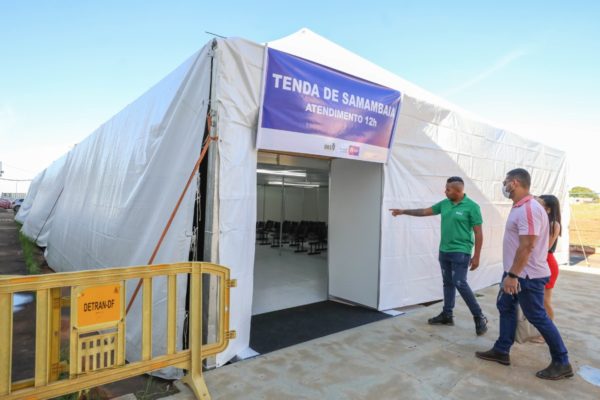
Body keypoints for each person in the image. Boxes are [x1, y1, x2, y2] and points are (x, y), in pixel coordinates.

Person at [476, 168, 573, 380]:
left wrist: (513, 276)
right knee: (506, 307)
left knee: (537, 315)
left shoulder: (529, 208)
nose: (504, 185)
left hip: (525, 276)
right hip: (515, 272)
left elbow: (527, 246)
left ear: (515, 183)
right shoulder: (521, 207)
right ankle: (502, 350)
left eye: (506, 181)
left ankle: (562, 361)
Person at [390, 176, 488, 336]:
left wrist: (477, 256)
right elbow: (424, 211)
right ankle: (447, 315)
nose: (445, 191)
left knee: (460, 283)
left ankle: (479, 316)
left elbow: (478, 232)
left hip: (461, 251)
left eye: (448, 189)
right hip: (444, 251)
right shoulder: (445, 204)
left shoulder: (472, 207)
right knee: (448, 283)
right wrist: (403, 211)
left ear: (458, 191)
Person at [529, 194, 562, 344]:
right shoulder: (542, 221)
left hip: (547, 262)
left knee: (545, 301)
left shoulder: (554, 224)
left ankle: (548, 334)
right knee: (538, 301)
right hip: (540, 261)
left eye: (540, 204)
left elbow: (545, 247)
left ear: (548, 209)